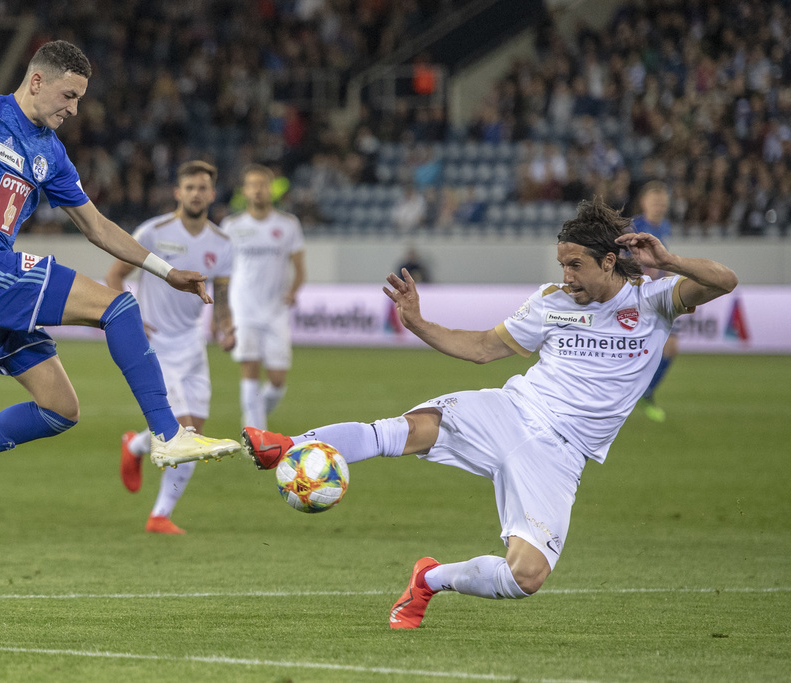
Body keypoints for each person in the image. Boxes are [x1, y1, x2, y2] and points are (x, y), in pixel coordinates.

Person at [243, 196, 738, 629]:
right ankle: (287, 446)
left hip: (562, 456)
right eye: (561, 264)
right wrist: (417, 323)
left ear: (609, 262)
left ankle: (429, 579)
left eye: (575, 265)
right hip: (514, 410)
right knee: (412, 430)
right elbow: (483, 348)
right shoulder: (551, 302)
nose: (565, 276)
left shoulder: (654, 301)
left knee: (526, 577)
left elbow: (725, 282)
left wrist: (668, 259)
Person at [0, 40, 242, 528]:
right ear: (38, 80)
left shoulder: (52, 154)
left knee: (60, 408)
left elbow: (98, 227)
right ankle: (169, 435)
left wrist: (167, 272)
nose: (73, 108)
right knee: (118, 307)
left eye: (80, 99)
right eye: (69, 95)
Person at [106, 161, 234, 534]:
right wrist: (127, 318)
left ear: (212, 193)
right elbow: (115, 274)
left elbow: (221, 294)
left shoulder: (223, 244)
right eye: (189, 187)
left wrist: (226, 326)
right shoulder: (153, 231)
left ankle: (137, 448)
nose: (196, 193)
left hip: (193, 343)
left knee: (192, 434)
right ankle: (159, 514)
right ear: (178, 192)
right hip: (156, 340)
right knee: (186, 429)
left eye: (203, 187)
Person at [220, 164, 306, 430]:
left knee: (278, 380)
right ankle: (256, 436)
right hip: (243, 309)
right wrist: (222, 315)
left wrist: (292, 292)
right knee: (250, 371)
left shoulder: (288, 225)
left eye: (263, 184)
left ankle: (252, 419)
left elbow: (300, 270)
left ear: (271, 189)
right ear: (245, 191)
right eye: (252, 185)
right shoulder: (232, 225)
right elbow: (222, 273)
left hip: (275, 311)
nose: (258, 190)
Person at [632, 181, 676, 422]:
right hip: (636, 296)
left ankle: (646, 392)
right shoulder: (636, 226)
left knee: (671, 346)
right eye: (654, 200)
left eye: (662, 200)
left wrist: (672, 285)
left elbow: (662, 264)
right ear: (643, 202)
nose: (659, 204)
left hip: (656, 295)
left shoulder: (664, 227)